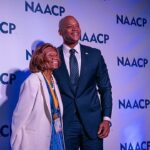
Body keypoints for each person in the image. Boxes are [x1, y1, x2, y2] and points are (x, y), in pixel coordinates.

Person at [53, 16, 113, 150]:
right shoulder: (53, 56)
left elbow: (105, 88)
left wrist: (106, 119)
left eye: (77, 25)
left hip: (93, 123)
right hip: (65, 124)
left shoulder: (94, 55)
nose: (75, 29)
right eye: (69, 26)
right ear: (60, 32)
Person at [11, 43, 65, 150]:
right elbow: (19, 116)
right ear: (41, 59)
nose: (55, 58)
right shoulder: (32, 81)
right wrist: (16, 143)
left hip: (56, 135)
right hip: (36, 140)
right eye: (50, 55)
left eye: (56, 55)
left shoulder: (53, 80)